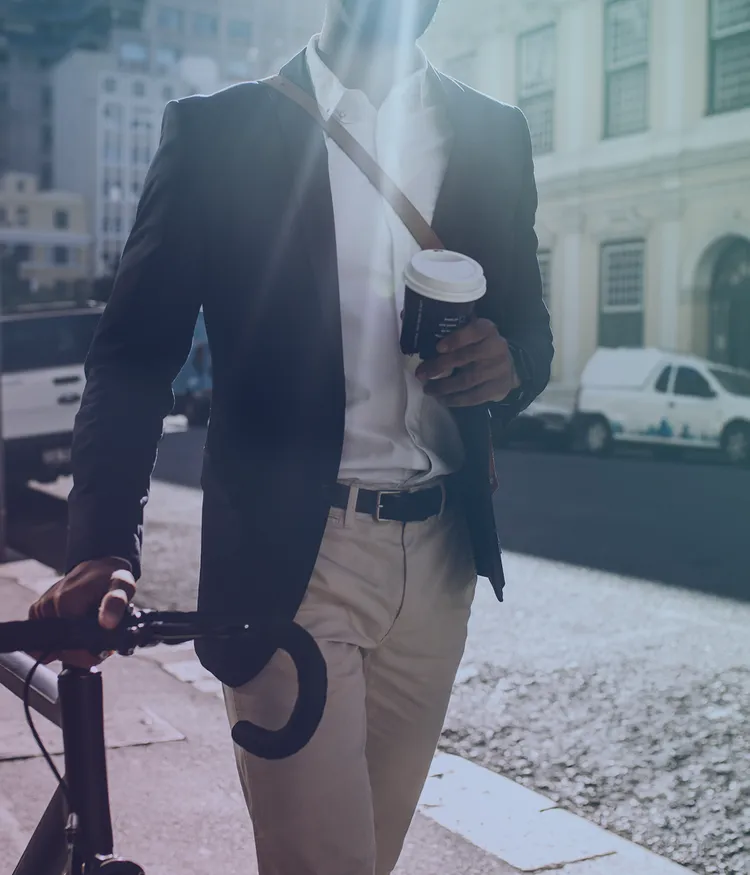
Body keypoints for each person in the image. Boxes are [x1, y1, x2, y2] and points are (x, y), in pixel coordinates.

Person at [29, 0, 553, 872]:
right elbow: (132, 357)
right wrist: (101, 546)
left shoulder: (493, 133)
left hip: (441, 562)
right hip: (290, 564)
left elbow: (529, 334)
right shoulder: (217, 133)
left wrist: (508, 369)